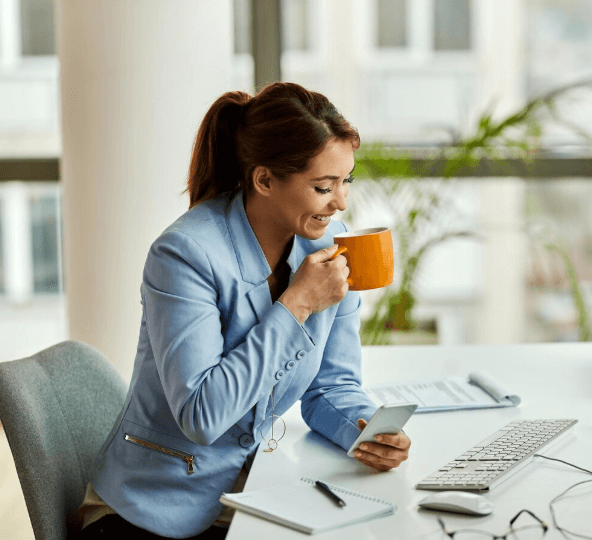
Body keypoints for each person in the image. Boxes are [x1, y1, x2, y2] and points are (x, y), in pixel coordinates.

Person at [74, 82, 411, 539]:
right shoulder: (183, 255)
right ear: (265, 179)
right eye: (323, 187)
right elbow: (202, 415)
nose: (341, 202)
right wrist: (297, 304)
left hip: (248, 497)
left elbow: (332, 383)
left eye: (345, 181)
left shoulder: (330, 245)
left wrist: (364, 430)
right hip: (151, 512)